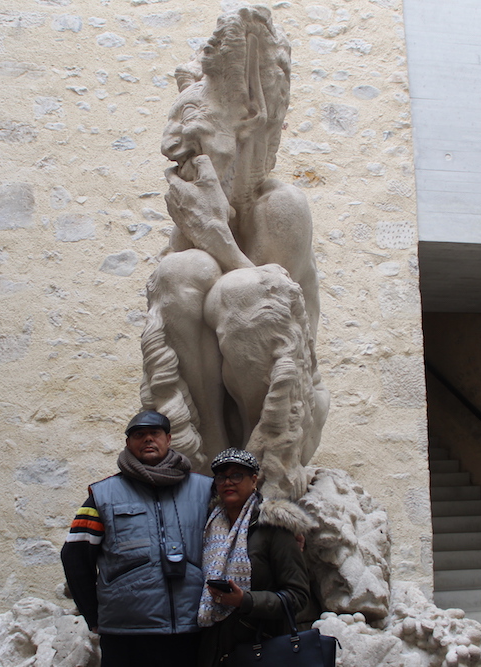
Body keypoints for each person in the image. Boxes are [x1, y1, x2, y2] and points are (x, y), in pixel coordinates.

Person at [140, 6, 329, 502]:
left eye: (191, 122)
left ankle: (260, 475)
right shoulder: (196, 200)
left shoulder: (280, 207)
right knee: (180, 270)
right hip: (211, 421)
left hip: (286, 412)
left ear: (248, 115)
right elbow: (179, 309)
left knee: (243, 290)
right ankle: (204, 465)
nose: (170, 144)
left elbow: (275, 307)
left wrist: (216, 235)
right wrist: (201, 232)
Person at [61, 410, 214, 667]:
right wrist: (93, 615)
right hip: (125, 634)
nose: (148, 439)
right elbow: (74, 556)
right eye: (139, 435)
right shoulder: (103, 495)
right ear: (128, 443)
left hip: (192, 628)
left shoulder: (205, 490)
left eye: (154, 433)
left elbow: (235, 535)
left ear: (168, 439)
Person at [197, 448, 312, 666]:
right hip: (215, 648)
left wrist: (245, 601)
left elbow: (297, 596)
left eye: (236, 475)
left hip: (261, 647)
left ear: (254, 480)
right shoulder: (210, 527)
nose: (228, 482)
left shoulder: (274, 529)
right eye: (221, 477)